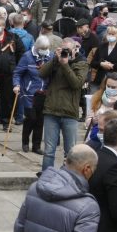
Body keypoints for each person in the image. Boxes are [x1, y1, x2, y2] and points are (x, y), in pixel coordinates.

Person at [40, 38, 88, 170]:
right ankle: (46, 177)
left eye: (67, 50)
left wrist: (65, 64)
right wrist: (55, 59)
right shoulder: (56, 61)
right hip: (51, 110)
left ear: (74, 50)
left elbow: (76, 84)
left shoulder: (81, 63)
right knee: (49, 150)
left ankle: (67, 177)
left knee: (70, 151)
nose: (65, 52)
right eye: (63, 49)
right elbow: (41, 73)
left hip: (69, 112)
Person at [13, 36, 51, 154]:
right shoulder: (27, 56)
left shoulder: (51, 56)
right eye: (42, 48)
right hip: (29, 93)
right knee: (31, 118)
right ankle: (25, 142)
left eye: (46, 48)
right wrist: (16, 85)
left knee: (40, 120)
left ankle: (36, 146)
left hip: (43, 93)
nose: (44, 50)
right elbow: (17, 73)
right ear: (37, 47)